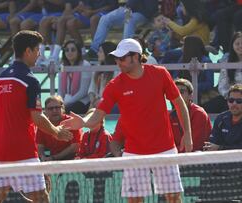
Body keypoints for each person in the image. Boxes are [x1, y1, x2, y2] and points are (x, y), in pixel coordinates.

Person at [61, 38, 192, 203]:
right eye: (116, 58)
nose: (118, 62)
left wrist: (187, 134)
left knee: (173, 198)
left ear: (136, 57)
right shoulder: (115, 85)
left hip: (164, 148)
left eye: (122, 58)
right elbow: (98, 113)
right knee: (134, 200)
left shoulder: (160, 74)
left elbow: (179, 104)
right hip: (134, 152)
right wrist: (84, 122)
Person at [0, 30, 72, 203]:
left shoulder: (0, 78)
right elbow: (37, 117)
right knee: (41, 198)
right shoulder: (30, 80)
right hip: (22, 149)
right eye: (37, 49)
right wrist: (57, 132)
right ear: (28, 51)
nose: (39, 54)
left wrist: (5, 129)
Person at [170, 78, 212, 152]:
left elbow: (195, 144)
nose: (178, 95)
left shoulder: (199, 113)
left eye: (182, 92)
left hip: (198, 157)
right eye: (175, 92)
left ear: (190, 96)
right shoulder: (170, 115)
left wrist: (171, 153)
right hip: (177, 156)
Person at [37, 95, 82, 161]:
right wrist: (42, 156)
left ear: (62, 108)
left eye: (57, 107)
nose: (54, 110)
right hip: (52, 160)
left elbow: (75, 147)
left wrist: (54, 158)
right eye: (50, 108)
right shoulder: (43, 124)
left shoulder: (71, 121)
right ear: (45, 110)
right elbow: (40, 146)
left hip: (71, 161)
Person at [204, 84, 242, 151]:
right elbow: (213, 142)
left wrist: (220, 148)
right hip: (220, 159)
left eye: (239, 101)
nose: (234, 103)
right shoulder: (220, 118)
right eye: (231, 100)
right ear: (227, 102)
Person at [58, 39, 92, 114]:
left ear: (78, 52)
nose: (69, 52)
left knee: (65, 111)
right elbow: (60, 90)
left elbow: (84, 91)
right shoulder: (62, 66)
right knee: (53, 109)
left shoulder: (85, 65)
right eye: (67, 50)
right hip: (66, 100)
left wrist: (68, 102)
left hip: (82, 101)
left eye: (73, 50)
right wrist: (59, 101)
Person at [88, 41, 117, 109]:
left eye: (100, 51)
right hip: (97, 103)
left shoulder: (116, 70)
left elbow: (113, 94)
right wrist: (92, 101)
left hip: (110, 104)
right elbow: (92, 89)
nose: (97, 54)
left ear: (107, 53)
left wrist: (100, 101)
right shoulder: (97, 69)